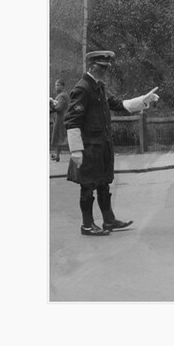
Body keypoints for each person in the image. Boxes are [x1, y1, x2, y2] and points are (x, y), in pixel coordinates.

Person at [64, 50, 160, 236]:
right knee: (87, 187)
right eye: (101, 67)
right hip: (89, 148)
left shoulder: (99, 87)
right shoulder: (82, 88)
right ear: (91, 66)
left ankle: (109, 221)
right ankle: (87, 225)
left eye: (106, 68)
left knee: (103, 184)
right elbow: (72, 121)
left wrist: (143, 100)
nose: (105, 71)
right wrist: (76, 150)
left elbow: (119, 104)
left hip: (102, 146)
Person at [49, 78, 69, 161]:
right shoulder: (62, 95)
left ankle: (58, 155)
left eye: (58, 85)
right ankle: (57, 155)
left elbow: (59, 108)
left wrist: (51, 104)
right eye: (55, 85)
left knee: (59, 137)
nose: (56, 87)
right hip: (60, 118)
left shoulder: (62, 96)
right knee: (60, 137)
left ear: (63, 86)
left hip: (61, 119)